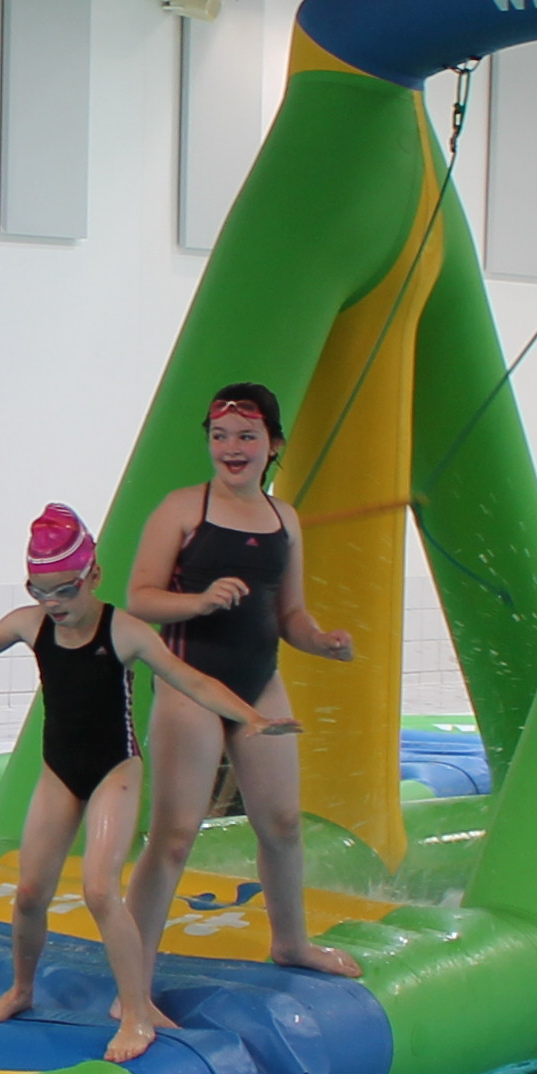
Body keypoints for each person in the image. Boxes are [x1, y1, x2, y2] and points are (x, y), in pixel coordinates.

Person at [0, 505, 287, 1057]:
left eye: (64, 591)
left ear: (92, 577)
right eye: (41, 591)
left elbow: (191, 679)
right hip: (61, 770)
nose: (54, 605)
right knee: (31, 892)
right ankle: (21, 989)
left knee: (100, 889)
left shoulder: (125, 631)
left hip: (115, 771)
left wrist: (250, 717)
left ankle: (135, 1013)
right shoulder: (29, 623)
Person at [123, 384, 362, 979]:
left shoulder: (286, 519)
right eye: (220, 436)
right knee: (175, 835)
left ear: (273, 445)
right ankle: (133, 970)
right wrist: (200, 602)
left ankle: (292, 944)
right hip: (189, 682)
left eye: (247, 437)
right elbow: (140, 600)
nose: (232, 447)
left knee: (281, 824)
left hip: (260, 683)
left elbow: (290, 616)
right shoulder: (182, 509)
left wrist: (322, 641)